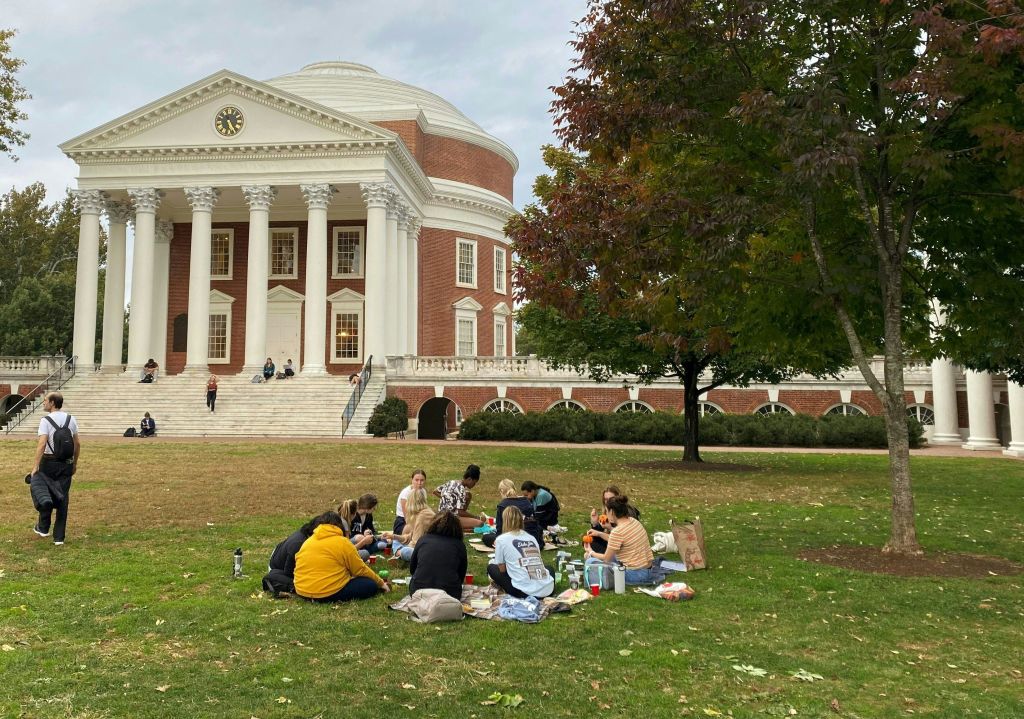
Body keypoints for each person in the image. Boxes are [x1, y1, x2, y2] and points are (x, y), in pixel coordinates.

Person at [293, 511, 390, 602]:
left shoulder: (308, 541)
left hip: (301, 590)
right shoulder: (342, 542)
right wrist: (380, 583)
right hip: (324, 593)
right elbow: (360, 569)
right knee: (370, 584)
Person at [32, 391, 80, 546]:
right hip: (66, 463)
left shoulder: (45, 420)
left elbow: (42, 444)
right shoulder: (71, 419)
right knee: (63, 498)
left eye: (45, 400)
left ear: (52, 403)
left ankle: (43, 528)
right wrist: (74, 463)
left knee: (44, 494)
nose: (43, 402)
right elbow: (77, 444)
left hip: (48, 463)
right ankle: (59, 538)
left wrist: (35, 466)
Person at [584, 495, 656, 585]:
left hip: (635, 574)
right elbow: (619, 540)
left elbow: (606, 559)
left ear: (612, 512)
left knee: (590, 561)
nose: (606, 514)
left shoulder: (618, 531)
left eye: (607, 511)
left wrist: (590, 552)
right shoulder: (633, 521)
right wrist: (599, 534)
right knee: (600, 556)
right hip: (648, 570)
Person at [487, 506, 554, 599]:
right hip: (547, 589)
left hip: (522, 591)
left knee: (491, 568)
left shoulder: (501, 540)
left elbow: (502, 570)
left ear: (505, 521)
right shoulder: (531, 538)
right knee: (549, 568)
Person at [408, 511, 468, 600]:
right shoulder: (459, 545)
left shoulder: (423, 540)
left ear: (433, 524)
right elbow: (461, 574)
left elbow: (412, 568)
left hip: (418, 590)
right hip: (449, 594)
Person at [262, 512, 326, 595]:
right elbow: (288, 572)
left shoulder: (304, 534)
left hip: (279, 558)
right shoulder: (299, 544)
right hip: (279, 570)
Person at [482, 479, 542, 548]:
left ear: (501, 491)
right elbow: (535, 521)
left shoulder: (502, 505)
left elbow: (500, 530)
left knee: (486, 537)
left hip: (513, 540)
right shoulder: (526, 501)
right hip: (532, 538)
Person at [383, 488, 434, 561]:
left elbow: (415, 543)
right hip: (424, 547)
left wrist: (402, 551)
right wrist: (393, 536)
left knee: (406, 551)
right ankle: (399, 553)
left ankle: (398, 554)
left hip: (427, 550)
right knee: (396, 541)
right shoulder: (421, 513)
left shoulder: (423, 516)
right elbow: (410, 536)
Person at [588, 484, 641, 554]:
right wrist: (595, 524)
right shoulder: (608, 511)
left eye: (611, 499)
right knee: (589, 540)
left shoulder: (626, 512)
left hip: (624, 547)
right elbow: (600, 532)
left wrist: (609, 528)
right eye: (606, 499)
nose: (608, 502)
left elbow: (623, 537)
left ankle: (595, 556)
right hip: (614, 542)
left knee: (591, 547)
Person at [433, 464, 485, 532]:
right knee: (480, 523)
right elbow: (460, 512)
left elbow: (435, 491)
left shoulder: (452, 482)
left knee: (468, 495)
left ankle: (457, 528)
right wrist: (477, 517)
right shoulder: (461, 490)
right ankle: (455, 529)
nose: (474, 485)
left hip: (440, 515)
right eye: (474, 483)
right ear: (469, 479)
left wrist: (448, 499)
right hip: (450, 519)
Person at [394, 468, 427, 534]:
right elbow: (407, 518)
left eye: (422, 480)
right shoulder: (405, 493)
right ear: (412, 480)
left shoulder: (423, 491)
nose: (419, 483)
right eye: (416, 480)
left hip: (418, 520)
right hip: (403, 522)